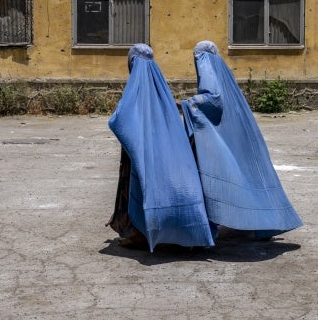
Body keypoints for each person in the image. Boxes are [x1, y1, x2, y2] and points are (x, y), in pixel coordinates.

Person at [180, 41, 303, 239]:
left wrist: (187, 103)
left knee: (211, 177)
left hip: (215, 138)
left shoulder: (205, 61)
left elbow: (213, 99)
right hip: (234, 134)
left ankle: (210, 227)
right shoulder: (223, 72)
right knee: (245, 174)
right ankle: (266, 221)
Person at [107, 44, 215, 252]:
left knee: (139, 186)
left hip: (141, 152)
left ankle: (140, 234)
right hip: (166, 152)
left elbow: (119, 120)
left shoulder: (137, 85)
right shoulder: (160, 85)